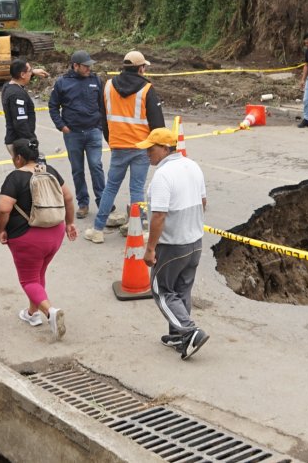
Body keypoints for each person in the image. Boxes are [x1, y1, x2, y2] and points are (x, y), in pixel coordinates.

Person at [137, 127, 210, 360]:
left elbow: (159, 216)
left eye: (151, 149)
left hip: (173, 245)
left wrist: (150, 249)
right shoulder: (193, 166)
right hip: (194, 242)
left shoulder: (163, 175)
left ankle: (190, 332)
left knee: (162, 290)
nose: (147, 153)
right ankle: (179, 336)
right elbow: (203, 202)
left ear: (165, 148)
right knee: (182, 290)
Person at [0, 138, 77, 339]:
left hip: (27, 238)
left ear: (19, 158)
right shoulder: (50, 171)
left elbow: (3, 209)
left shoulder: (15, 178)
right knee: (39, 274)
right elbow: (68, 197)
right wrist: (70, 223)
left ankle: (50, 312)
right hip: (55, 234)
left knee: (29, 279)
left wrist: (1, 229)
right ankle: (32, 314)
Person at [85, 50, 164, 243]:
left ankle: (97, 230)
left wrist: (111, 140)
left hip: (118, 145)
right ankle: (139, 229)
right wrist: (156, 147)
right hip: (141, 146)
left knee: (111, 187)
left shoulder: (108, 86)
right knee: (137, 189)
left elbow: (103, 117)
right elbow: (157, 123)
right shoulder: (147, 89)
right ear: (141, 68)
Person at [48, 50, 105, 222]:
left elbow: (103, 105)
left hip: (93, 131)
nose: (89, 68)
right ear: (75, 65)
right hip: (73, 134)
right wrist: (61, 126)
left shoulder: (95, 80)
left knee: (96, 166)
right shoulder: (62, 83)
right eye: (85, 66)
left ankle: (103, 202)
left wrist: (100, 126)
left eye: (90, 66)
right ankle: (83, 203)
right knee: (78, 170)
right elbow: (53, 106)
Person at [1, 58, 49, 154]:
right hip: (21, 142)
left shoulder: (8, 86)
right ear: (22, 75)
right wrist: (32, 141)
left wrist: (33, 72)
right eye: (30, 71)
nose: (31, 73)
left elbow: (20, 78)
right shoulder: (17, 95)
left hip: (18, 140)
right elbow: (20, 122)